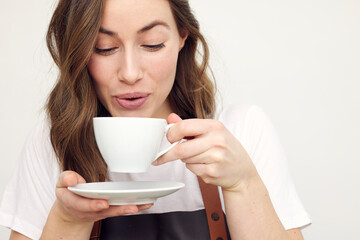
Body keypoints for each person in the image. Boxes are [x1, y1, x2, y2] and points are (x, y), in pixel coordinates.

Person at [0, 0, 311, 239]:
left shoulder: (242, 129)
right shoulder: (54, 141)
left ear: (182, 38)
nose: (130, 73)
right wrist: (68, 219)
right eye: (104, 48)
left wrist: (243, 183)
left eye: (152, 44)